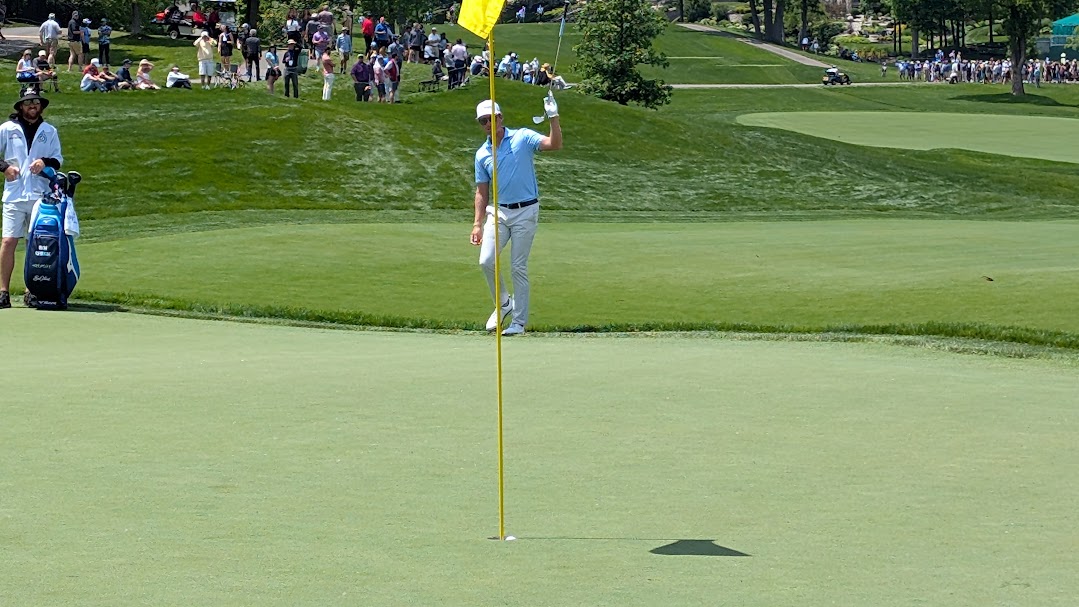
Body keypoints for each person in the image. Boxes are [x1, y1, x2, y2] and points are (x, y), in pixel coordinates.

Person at [470, 96, 562, 336]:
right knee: (486, 261)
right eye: (483, 121)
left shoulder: (522, 137)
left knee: (517, 266)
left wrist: (553, 117)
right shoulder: (482, 154)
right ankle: (503, 303)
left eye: (491, 118)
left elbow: (554, 144)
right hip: (499, 212)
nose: (488, 124)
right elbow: (481, 192)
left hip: (526, 211)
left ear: (500, 117)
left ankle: (518, 323)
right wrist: (477, 224)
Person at [0, 91, 63, 309]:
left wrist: (43, 162)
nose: (32, 106)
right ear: (21, 107)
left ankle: (31, 291)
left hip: (39, 194)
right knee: (8, 241)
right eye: (28, 103)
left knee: (34, 243)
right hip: (14, 194)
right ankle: (3, 291)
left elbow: (57, 160)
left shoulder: (49, 131)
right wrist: (5, 167)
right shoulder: (7, 129)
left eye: (36, 102)